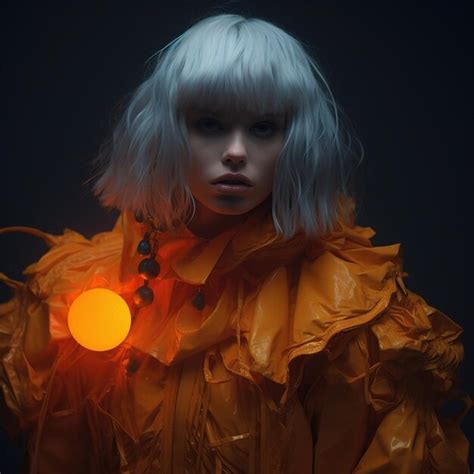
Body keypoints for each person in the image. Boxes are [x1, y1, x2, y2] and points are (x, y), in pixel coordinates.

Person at [0, 12, 471, 474]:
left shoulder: (342, 313)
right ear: (167, 131)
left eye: (264, 128)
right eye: (209, 124)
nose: (236, 151)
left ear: (297, 140)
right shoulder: (89, 290)